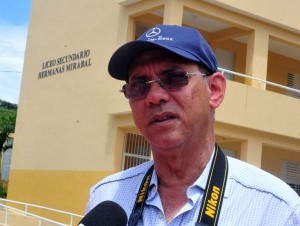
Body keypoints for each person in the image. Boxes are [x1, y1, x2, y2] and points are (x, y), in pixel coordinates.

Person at [85, 24, 300, 225]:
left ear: (214, 90)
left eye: (175, 77)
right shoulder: (106, 196)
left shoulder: (276, 210)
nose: (154, 96)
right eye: (138, 86)